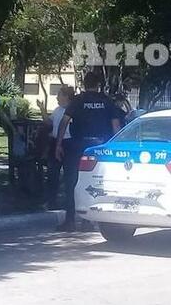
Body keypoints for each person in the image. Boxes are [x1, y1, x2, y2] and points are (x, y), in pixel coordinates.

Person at [55, 72, 122, 231]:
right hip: (100, 148)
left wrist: (58, 145)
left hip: (78, 146)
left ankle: (70, 220)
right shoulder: (106, 101)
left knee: (72, 181)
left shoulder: (78, 100)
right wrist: (115, 147)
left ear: (85, 84)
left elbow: (64, 122)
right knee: (95, 182)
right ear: (98, 85)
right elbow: (116, 126)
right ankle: (87, 220)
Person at [44, 85, 75, 210]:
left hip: (68, 143)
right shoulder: (57, 110)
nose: (57, 97)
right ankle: (52, 201)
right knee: (52, 173)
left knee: (69, 174)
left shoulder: (72, 110)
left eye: (59, 94)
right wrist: (42, 109)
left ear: (66, 96)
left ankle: (69, 201)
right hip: (55, 141)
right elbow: (49, 122)